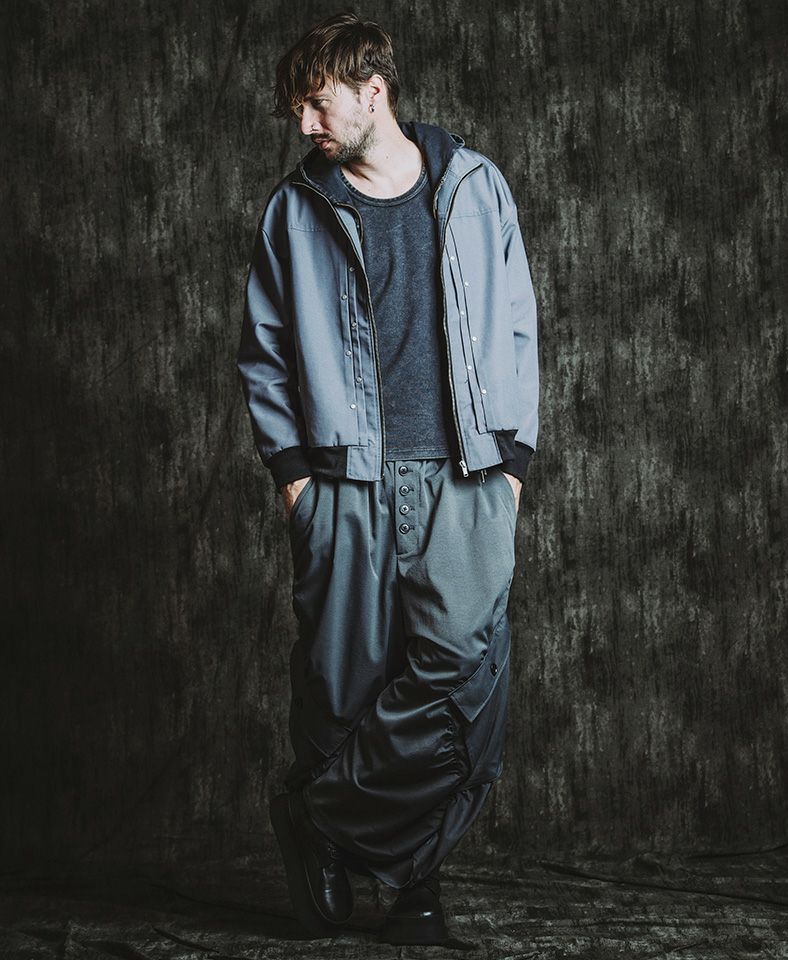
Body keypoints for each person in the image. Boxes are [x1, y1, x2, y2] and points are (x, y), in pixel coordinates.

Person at [236, 11, 539, 946]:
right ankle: (414, 890)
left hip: (467, 476)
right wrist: (296, 481)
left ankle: (320, 823)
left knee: (462, 674)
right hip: (345, 483)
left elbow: (518, 324)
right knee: (345, 684)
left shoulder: (476, 187)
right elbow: (264, 351)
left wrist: (512, 463)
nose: (304, 126)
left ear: (374, 92)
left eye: (316, 104)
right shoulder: (295, 209)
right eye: (296, 110)